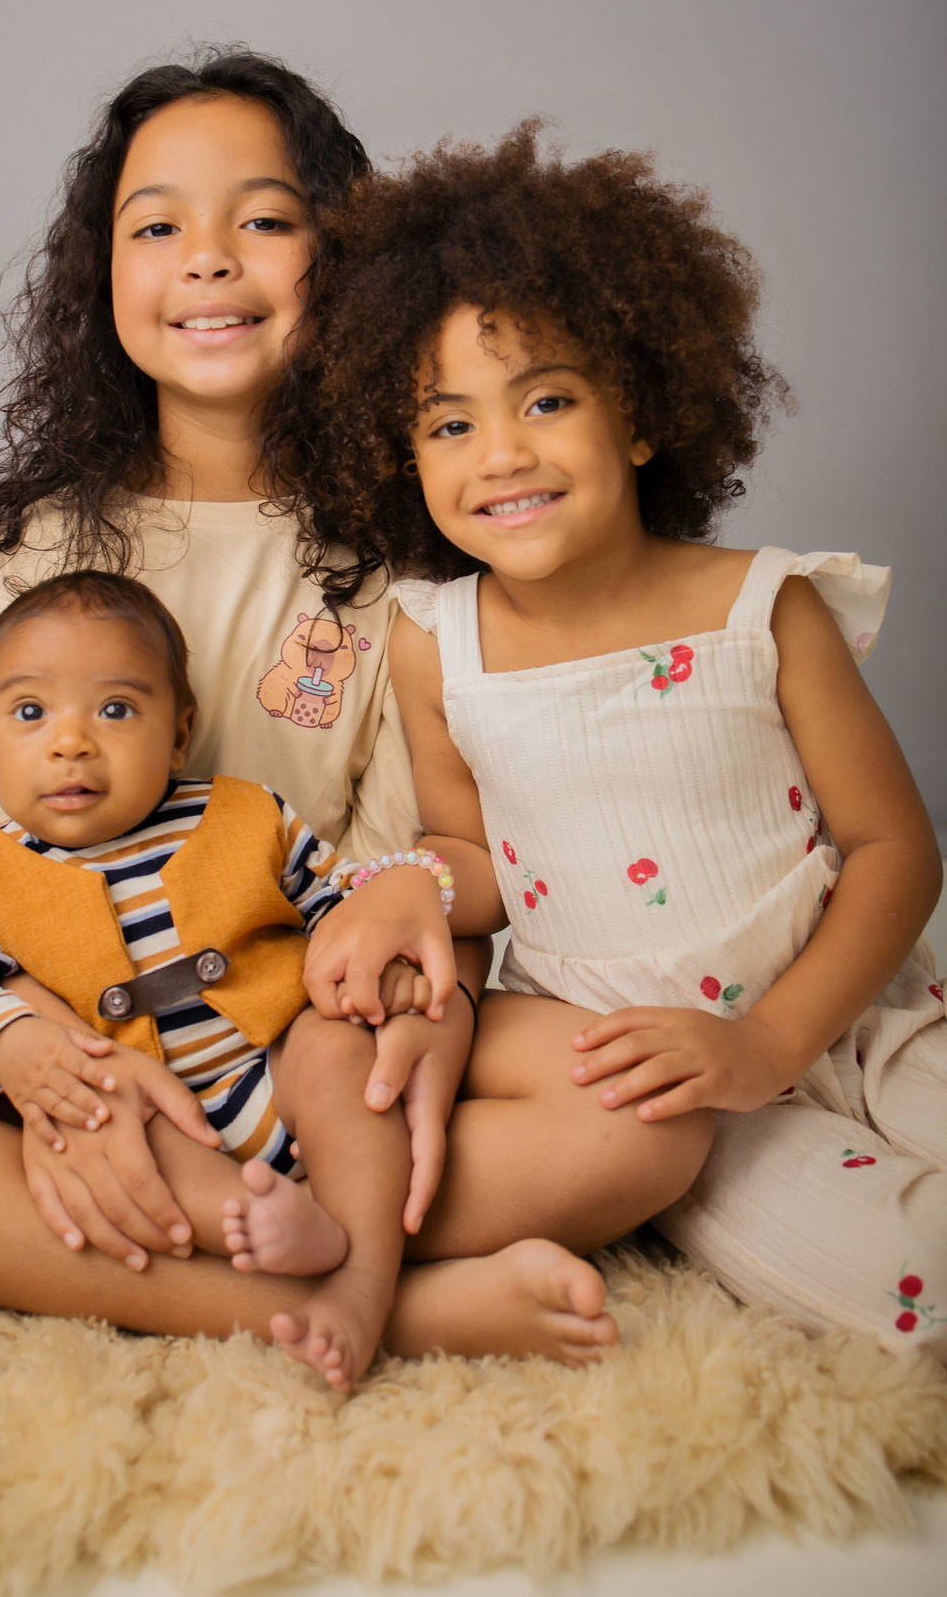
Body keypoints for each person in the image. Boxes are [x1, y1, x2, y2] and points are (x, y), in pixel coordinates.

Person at [0, 53, 708, 1369]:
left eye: (262, 220)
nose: (207, 258)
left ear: (346, 261)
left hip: (324, 1031)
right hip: (86, 1039)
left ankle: (20, 1243)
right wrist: (59, 1087)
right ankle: (385, 1306)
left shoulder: (412, 552)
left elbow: (422, 863)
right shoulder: (38, 565)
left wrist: (421, 1010)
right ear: (102, 278)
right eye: (157, 228)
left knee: (644, 1112)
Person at [286, 122, 947, 1357]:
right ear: (399, 457)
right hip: (663, 1079)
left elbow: (894, 848)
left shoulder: (764, 607)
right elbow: (471, 855)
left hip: (858, 1007)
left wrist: (774, 1038)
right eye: (448, 425)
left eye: (546, 400)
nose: (503, 455)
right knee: (915, 1272)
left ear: (638, 415)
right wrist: (414, 885)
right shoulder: (438, 645)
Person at [0, 567, 456, 1389]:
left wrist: (389, 966)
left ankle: (361, 1279)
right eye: (29, 714)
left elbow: (342, 907)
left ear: (178, 732)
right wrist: (11, 1043)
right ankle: (262, 1227)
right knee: (112, 1130)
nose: (70, 742)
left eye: (115, 710)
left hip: (281, 1077)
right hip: (157, 1123)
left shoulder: (247, 814)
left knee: (341, 1053)